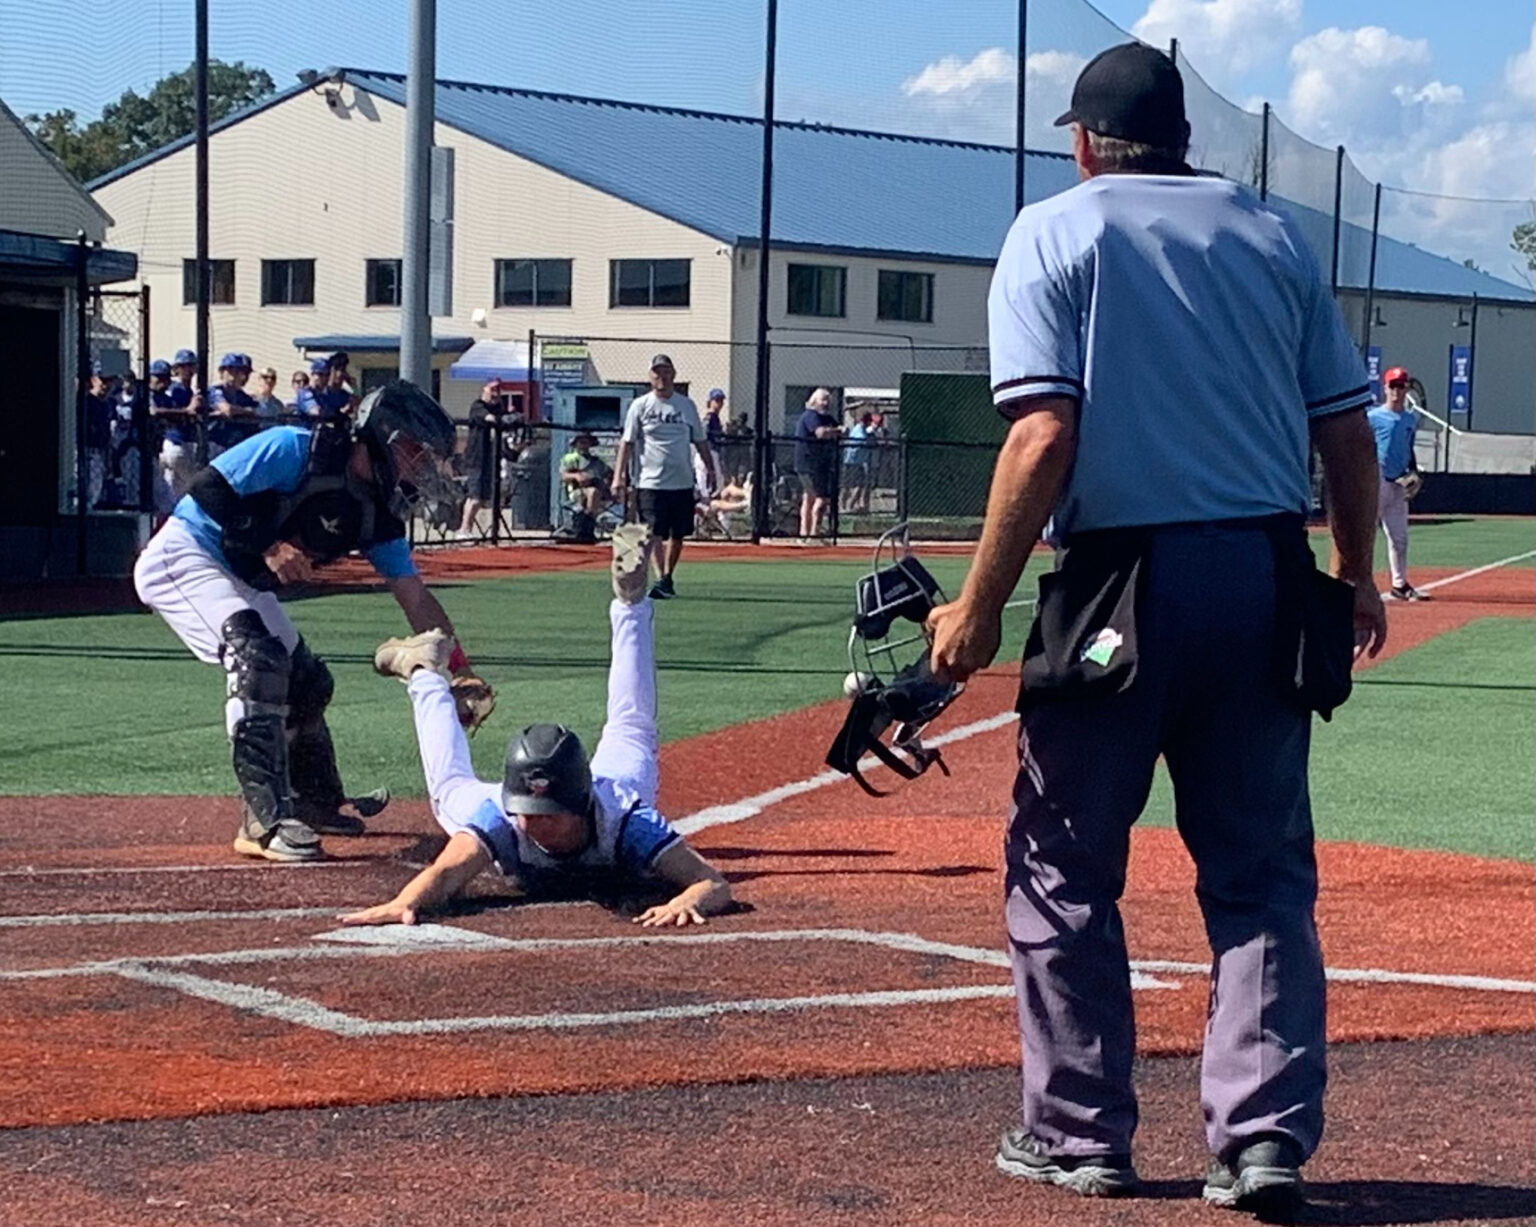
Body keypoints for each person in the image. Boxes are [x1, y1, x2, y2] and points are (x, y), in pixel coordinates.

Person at [925, 44, 1387, 1218]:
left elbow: (1040, 437)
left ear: (1082, 141)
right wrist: (1349, 574)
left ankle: (1080, 1134)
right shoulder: (1273, 235)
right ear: (1189, 139)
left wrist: (977, 604)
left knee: (1066, 861)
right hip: (1264, 575)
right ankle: (1264, 1140)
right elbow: (1342, 431)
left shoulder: (1056, 230)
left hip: (1116, 590)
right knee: (1262, 870)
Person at [132, 381, 491, 864]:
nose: (421, 467)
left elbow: (416, 598)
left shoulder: (377, 516)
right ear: (382, 437)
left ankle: (313, 800)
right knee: (258, 657)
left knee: (306, 681)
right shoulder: (292, 448)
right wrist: (269, 545)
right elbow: (206, 489)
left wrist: (460, 669)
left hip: (240, 579)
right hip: (184, 556)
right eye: (414, 451)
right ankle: (263, 820)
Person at [339, 525, 733, 928]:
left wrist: (690, 900)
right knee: (449, 794)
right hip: (526, 797)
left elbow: (712, 882)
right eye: (530, 812)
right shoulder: (500, 814)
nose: (536, 824)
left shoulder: (624, 816)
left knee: (632, 726)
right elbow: (446, 874)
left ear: (580, 806)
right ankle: (424, 669)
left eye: (549, 813)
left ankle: (630, 602)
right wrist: (406, 902)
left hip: (618, 782)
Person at [612, 355, 714, 600]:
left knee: (678, 533)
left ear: (673, 375)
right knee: (654, 530)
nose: (662, 377)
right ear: (650, 376)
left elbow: (699, 440)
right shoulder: (640, 406)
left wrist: (710, 468)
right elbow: (627, 443)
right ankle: (660, 578)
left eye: (666, 372)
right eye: (657, 372)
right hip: (650, 480)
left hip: (681, 480)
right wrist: (619, 477)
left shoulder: (686, 405)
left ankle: (668, 575)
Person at [1368, 367, 1427, 601]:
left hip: (1398, 482)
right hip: (1377, 479)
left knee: (1399, 537)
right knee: (1366, 534)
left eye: (1400, 386)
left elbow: (1408, 447)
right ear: (1385, 388)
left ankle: (1399, 584)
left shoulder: (1409, 419)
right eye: (1392, 385)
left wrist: (1413, 470)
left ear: (1406, 389)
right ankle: (1358, 583)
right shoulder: (1373, 417)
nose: (1396, 390)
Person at [457, 381, 509, 538]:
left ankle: (485, 532)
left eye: (498, 391)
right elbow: (489, 418)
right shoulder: (477, 406)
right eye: (492, 390)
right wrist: (500, 419)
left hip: (490, 459)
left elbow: (505, 417)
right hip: (476, 459)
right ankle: (463, 530)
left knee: (486, 498)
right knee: (475, 497)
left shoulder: (499, 408)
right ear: (484, 390)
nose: (495, 394)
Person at [794, 388, 841, 540]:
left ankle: (806, 535)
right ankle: (812, 535)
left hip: (820, 465)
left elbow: (839, 429)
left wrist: (838, 431)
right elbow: (820, 433)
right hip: (807, 464)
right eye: (823, 399)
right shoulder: (810, 416)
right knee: (819, 498)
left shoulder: (827, 418)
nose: (826, 403)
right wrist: (836, 431)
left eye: (828, 400)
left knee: (809, 497)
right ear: (814, 401)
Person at [559, 432, 614, 543]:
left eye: (586, 441)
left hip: (600, 492)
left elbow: (609, 474)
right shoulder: (570, 458)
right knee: (593, 492)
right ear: (576, 444)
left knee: (629, 491)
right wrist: (577, 476)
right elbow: (563, 476)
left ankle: (631, 528)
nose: (584, 444)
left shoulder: (597, 461)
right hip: (576, 493)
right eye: (581, 441)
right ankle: (586, 528)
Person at [205, 353, 261, 456]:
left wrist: (246, 411)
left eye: (237, 371)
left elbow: (257, 412)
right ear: (222, 372)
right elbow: (227, 409)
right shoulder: (215, 390)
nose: (233, 375)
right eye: (230, 370)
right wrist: (245, 411)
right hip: (216, 443)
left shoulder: (242, 396)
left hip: (236, 445)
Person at [840, 411, 872, 515]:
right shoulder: (859, 431)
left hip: (855, 461)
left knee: (854, 485)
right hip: (854, 461)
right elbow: (861, 441)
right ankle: (846, 506)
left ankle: (847, 505)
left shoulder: (859, 429)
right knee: (854, 485)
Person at [703, 388, 727, 481]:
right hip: (710, 450)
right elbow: (705, 432)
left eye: (721, 400)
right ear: (711, 402)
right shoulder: (710, 416)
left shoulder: (716, 417)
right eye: (717, 400)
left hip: (715, 450)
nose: (719, 403)